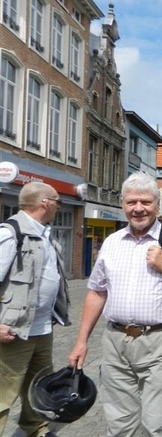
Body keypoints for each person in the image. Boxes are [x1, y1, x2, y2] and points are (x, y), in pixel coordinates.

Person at [68, 172, 162, 437]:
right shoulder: (111, 243)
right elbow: (97, 292)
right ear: (123, 204)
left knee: (159, 424)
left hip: (161, 341)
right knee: (118, 424)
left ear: (156, 204)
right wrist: (81, 340)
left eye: (145, 202)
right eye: (131, 202)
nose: (138, 208)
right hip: (116, 341)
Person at [0, 182, 69, 437]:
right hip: (13, 330)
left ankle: (35, 429)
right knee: (3, 391)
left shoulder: (46, 234)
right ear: (45, 203)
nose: (58, 206)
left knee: (39, 385)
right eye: (57, 201)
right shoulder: (10, 233)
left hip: (41, 328)